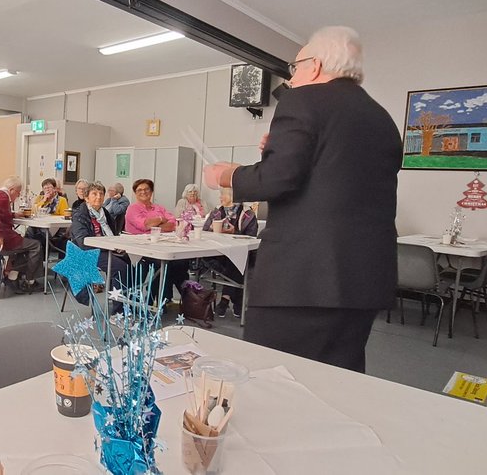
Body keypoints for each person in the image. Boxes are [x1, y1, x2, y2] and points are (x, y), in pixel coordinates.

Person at [202, 26, 401, 373]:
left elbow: (279, 178)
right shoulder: (381, 118)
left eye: (295, 68)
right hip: (364, 278)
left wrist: (228, 175)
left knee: (275, 378)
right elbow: (332, 174)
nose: (292, 78)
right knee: (337, 378)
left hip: (303, 279)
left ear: (316, 65)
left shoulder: (303, 100)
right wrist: (279, 149)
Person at [123, 178, 187, 303]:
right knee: (163, 263)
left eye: (146, 189)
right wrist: (160, 219)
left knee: (180, 262)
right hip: (139, 251)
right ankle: (156, 298)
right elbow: (144, 225)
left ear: (151, 191)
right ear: (135, 193)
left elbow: (173, 224)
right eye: (139, 190)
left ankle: (169, 297)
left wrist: (155, 226)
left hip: (160, 247)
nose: (143, 192)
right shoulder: (133, 209)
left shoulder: (159, 207)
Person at [201, 188, 259, 317]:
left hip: (240, 253)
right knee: (234, 261)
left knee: (236, 258)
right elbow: (204, 231)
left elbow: (251, 237)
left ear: (233, 196)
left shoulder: (248, 214)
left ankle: (225, 299)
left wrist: (235, 232)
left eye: (223, 194)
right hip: (217, 253)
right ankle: (237, 301)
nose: (220, 197)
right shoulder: (216, 212)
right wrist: (212, 230)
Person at [70, 181, 131, 303]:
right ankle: (118, 312)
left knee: (130, 267)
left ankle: (125, 302)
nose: (99, 197)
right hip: (88, 252)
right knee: (120, 268)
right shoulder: (79, 214)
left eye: (101, 194)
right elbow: (83, 242)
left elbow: (112, 234)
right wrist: (106, 246)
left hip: (108, 249)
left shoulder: (105, 213)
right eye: (94, 194)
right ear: (87, 198)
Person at [0, 176, 43, 293]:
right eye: (18, 192)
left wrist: (13, 215)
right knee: (36, 245)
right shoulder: (3, 197)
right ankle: (29, 280)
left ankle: (12, 276)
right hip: (1, 238)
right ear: (12, 190)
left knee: (25, 244)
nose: (18, 196)